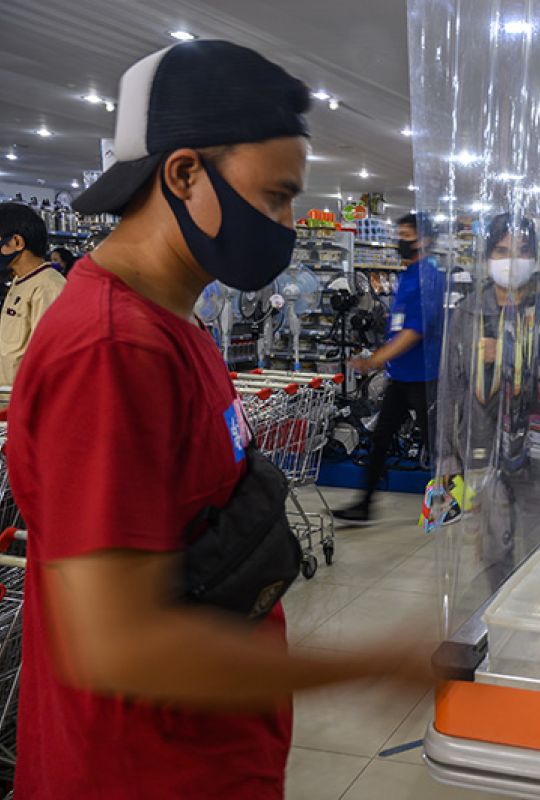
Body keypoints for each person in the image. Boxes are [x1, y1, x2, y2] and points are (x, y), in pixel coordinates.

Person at [5, 40, 428, 800]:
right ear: (184, 173)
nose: (287, 223)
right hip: (137, 774)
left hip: (205, 761)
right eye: (274, 197)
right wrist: (368, 664)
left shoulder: (174, 325)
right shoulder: (113, 352)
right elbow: (117, 645)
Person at [437, 213, 540, 593]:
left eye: (522, 251)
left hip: (539, 452)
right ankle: (499, 608)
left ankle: (538, 610)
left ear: (535, 257)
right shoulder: (468, 312)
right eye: (502, 251)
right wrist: (446, 456)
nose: (512, 260)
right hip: (481, 446)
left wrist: (507, 352)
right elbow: (451, 386)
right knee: (491, 546)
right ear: (488, 257)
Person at [333, 212, 445, 524]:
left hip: (426, 377)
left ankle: (452, 503)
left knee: (438, 447)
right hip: (401, 377)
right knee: (381, 438)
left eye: (407, 235)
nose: (401, 241)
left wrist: (374, 360)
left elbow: (413, 332)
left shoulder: (429, 278)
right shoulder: (407, 275)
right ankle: (364, 504)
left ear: (424, 239)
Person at [0, 203, 66, 391]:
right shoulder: (19, 281)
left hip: (24, 401)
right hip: (7, 399)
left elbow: (50, 360)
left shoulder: (48, 287)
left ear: (16, 243)